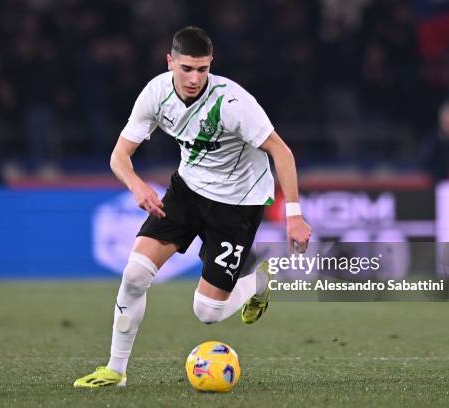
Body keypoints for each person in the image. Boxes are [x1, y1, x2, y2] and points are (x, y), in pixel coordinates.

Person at [73, 26, 312, 388]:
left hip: (237, 204)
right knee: (134, 275)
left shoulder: (233, 103)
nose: (194, 78)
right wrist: (137, 186)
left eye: (202, 69)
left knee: (208, 313)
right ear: (170, 62)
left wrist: (294, 215)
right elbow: (119, 154)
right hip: (187, 191)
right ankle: (115, 371)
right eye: (186, 68)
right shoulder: (155, 93)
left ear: (210, 65)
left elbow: (282, 152)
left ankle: (260, 280)